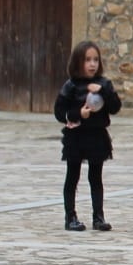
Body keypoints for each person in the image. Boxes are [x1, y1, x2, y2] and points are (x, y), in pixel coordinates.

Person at [55, 40, 121, 232]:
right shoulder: (71, 86)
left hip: (96, 135)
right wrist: (78, 114)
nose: (92, 64)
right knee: (72, 176)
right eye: (87, 60)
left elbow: (115, 107)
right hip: (76, 136)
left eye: (95, 60)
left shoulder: (104, 84)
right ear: (78, 62)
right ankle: (70, 216)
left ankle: (98, 216)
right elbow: (60, 112)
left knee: (96, 177)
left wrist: (104, 92)